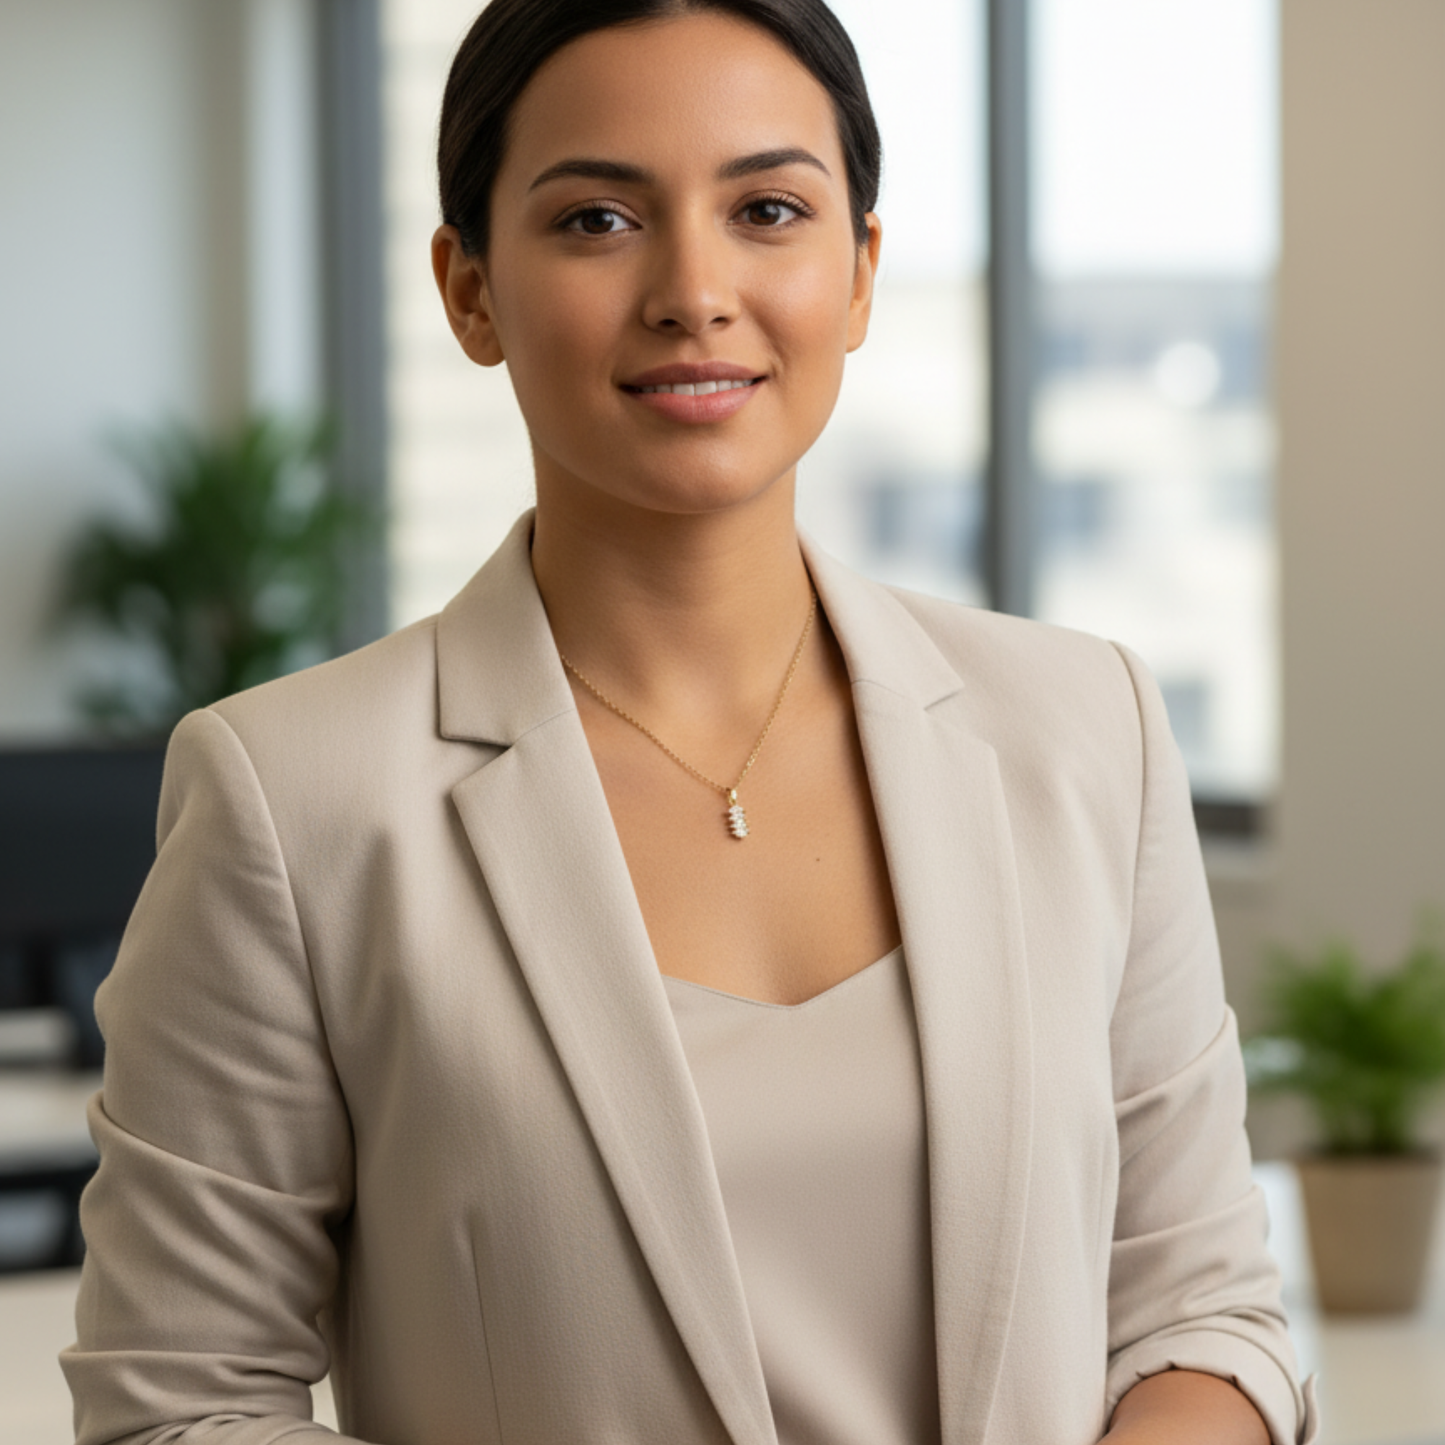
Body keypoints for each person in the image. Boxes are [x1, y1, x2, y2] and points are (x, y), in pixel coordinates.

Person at [63, 2, 1317, 1443]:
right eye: (598, 218)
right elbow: (180, 1406)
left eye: (769, 209)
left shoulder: (1090, 728)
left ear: (859, 274)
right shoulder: (292, 799)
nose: (694, 289)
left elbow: (1201, 1311)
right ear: (469, 293)